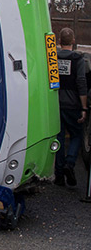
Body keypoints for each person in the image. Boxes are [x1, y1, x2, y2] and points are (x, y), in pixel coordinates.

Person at [55, 27, 88, 187]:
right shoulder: (78, 59)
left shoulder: (52, 58)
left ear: (59, 41)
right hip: (73, 104)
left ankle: (59, 176)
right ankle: (70, 163)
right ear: (73, 41)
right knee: (76, 135)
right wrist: (84, 107)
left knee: (59, 138)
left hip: (55, 104)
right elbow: (81, 83)